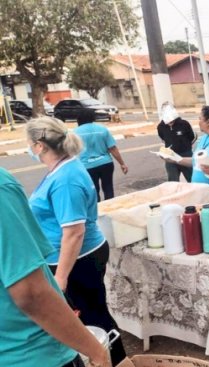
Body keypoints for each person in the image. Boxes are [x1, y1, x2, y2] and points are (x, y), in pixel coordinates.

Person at [26, 117, 126, 365]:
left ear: (39, 145)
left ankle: (115, 360)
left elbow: (74, 232)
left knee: (91, 318)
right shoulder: (62, 168)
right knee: (91, 315)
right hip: (74, 255)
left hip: (76, 259)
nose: (27, 147)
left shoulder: (65, 180)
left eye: (28, 142)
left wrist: (60, 277)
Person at [0, 167, 112, 367]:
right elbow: (31, 293)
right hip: (34, 354)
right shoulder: (2, 189)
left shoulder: (66, 175)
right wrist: (97, 352)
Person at [74, 108, 128, 201]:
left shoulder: (74, 133)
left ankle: (99, 211)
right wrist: (122, 163)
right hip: (106, 164)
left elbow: (71, 152)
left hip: (87, 166)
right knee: (108, 189)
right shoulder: (102, 129)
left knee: (94, 192)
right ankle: (110, 210)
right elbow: (112, 148)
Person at [157, 102, 196, 182]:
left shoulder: (184, 124)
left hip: (185, 155)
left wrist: (185, 145)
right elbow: (163, 138)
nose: (170, 122)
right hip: (170, 156)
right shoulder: (160, 127)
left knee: (192, 179)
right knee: (172, 181)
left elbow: (191, 137)